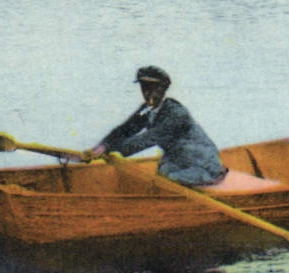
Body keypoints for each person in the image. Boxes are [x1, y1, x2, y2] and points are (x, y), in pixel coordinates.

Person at [82, 65, 228, 187]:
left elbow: (149, 138)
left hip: (201, 159)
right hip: (178, 157)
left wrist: (116, 150)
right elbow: (125, 129)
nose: (148, 93)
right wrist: (102, 147)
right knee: (163, 171)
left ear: (163, 89)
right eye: (144, 88)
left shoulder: (176, 113)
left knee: (169, 176)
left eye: (153, 88)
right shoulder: (148, 110)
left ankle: (214, 176)